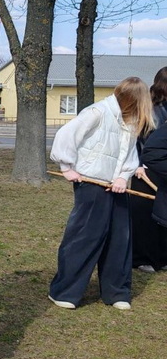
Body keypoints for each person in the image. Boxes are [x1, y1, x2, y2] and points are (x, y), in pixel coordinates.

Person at [49, 76, 154, 311]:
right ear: (132, 99)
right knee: (85, 237)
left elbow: (128, 155)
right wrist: (67, 168)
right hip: (91, 184)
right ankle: (65, 291)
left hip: (115, 187)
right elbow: (67, 136)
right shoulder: (97, 112)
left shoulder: (130, 121)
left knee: (120, 239)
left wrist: (121, 177)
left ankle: (117, 291)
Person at [130, 67, 167, 272]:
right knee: (144, 215)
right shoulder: (148, 107)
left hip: (162, 168)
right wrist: (136, 165)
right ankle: (142, 258)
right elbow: (134, 139)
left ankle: (161, 257)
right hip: (144, 170)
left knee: (162, 214)